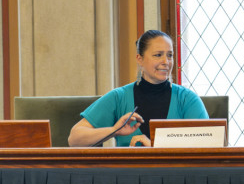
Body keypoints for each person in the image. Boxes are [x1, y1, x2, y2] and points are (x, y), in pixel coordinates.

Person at [68, 29, 208, 147]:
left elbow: (208, 143)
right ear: (139, 59)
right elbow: (74, 139)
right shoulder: (118, 97)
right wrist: (114, 130)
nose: (166, 62)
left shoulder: (187, 99)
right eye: (158, 55)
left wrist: (154, 147)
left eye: (169, 55)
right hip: (128, 172)